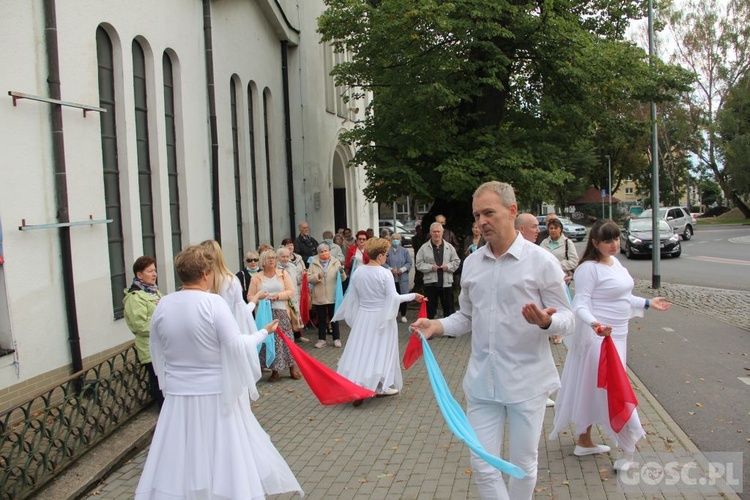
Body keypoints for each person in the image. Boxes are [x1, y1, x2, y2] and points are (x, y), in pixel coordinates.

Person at [411, 181, 574, 500]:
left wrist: (548, 321)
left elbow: (570, 317)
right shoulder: (472, 263)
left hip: (526, 382)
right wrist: (436, 325)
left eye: (489, 212)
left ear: (512, 211)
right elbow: (466, 317)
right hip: (482, 383)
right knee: (483, 465)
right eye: (477, 215)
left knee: (523, 464)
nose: (482, 221)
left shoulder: (541, 262)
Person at [135, 245, 302, 499]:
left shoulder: (164, 304)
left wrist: (169, 385)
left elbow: (157, 353)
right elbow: (235, 346)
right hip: (215, 395)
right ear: (205, 274)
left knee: (184, 455)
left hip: (179, 397)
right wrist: (263, 332)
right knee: (224, 454)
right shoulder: (212, 303)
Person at [549, 220, 671, 472]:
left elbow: (623, 296)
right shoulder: (588, 269)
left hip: (618, 335)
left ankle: (584, 440)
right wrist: (595, 324)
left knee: (595, 389)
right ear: (595, 243)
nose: (614, 244)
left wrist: (648, 303)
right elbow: (580, 304)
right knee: (613, 389)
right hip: (599, 338)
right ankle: (628, 449)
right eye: (608, 240)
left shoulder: (615, 262)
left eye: (616, 239)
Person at [333, 238, 425, 404]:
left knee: (361, 349)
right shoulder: (385, 273)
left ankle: (358, 383)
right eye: (387, 254)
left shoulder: (359, 272)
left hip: (363, 316)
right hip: (381, 317)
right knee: (383, 349)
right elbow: (393, 298)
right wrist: (413, 296)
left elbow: (353, 296)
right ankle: (380, 385)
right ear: (381, 255)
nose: (387, 256)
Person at [515, 214, 558, 407]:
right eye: (534, 226)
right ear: (521, 229)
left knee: (539, 355)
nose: (538, 230)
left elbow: (567, 317)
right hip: (515, 330)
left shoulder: (540, 255)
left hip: (538, 322)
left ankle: (544, 391)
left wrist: (548, 322)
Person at [248, 250, 302, 382]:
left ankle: (292, 367)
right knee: (271, 341)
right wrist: (261, 297)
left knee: (286, 339)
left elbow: (291, 291)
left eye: (273, 258)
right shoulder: (256, 277)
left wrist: (278, 296)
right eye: (268, 258)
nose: (271, 260)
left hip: (281, 310)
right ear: (263, 261)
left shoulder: (283, 274)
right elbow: (250, 296)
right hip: (265, 313)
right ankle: (274, 370)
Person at [123, 256, 164, 408]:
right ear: (139, 275)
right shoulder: (134, 298)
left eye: (155, 270)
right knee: (160, 387)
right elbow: (139, 326)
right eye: (150, 271)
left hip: (162, 347)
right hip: (150, 351)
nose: (154, 274)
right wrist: (163, 323)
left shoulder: (154, 292)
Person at [540, 218, 580, 345]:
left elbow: (574, 261)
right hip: (545, 278)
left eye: (555, 228)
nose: (552, 230)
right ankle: (548, 332)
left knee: (559, 305)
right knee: (546, 304)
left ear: (560, 229)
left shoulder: (567, 243)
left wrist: (557, 265)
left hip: (562, 278)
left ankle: (559, 333)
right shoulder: (544, 243)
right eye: (550, 228)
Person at [415, 222, 461, 320]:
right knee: (430, 310)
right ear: (430, 233)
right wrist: (430, 267)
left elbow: (457, 261)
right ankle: (429, 331)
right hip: (430, 284)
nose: (436, 234)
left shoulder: (449, 247)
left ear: (442, 232)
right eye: (434, 232)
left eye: (438, 232)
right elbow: (418, 264)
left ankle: (450, 331)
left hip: (446, 283)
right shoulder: (424, 248)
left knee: (449, 308)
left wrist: (448, 266)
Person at [308, 243, 346, 348]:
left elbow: (343, 278)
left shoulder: (335, 262)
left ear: (329, 251)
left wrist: (342, 272)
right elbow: (308, 278)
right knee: (321, 319)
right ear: (318, 253)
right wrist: (317, 276)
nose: (324, 253)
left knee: (334, 318)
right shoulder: (313, 263)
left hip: (332, 295)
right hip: (319, 295)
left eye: (326, 251)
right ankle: (321, 340)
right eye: (321, 252)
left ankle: (336, 338)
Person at [277, 247, 309, 343]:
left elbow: (297, 281)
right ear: (278, 257)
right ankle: (286, 341)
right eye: (283, 257)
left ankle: (295, 338)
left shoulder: (292, 266)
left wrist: (303, 276)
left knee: (294, 318)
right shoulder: (275, 268)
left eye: (287, 256)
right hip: (282, 297)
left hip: (293, 296)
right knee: (285, 320)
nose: (285, 259)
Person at [383, 232, 413, 324]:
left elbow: (409, 263)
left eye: (397, 239)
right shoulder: (387, 251)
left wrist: (402, 269)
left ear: (400, 240)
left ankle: (403, 315)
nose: (395, 240)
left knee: (402, 297)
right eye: (394, 239)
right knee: (392, 297)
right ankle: (392, 315)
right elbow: (383, 262)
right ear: (391, 240)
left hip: (402, 278)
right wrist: (390, 269)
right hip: (391, 278)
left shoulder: (404, 251)